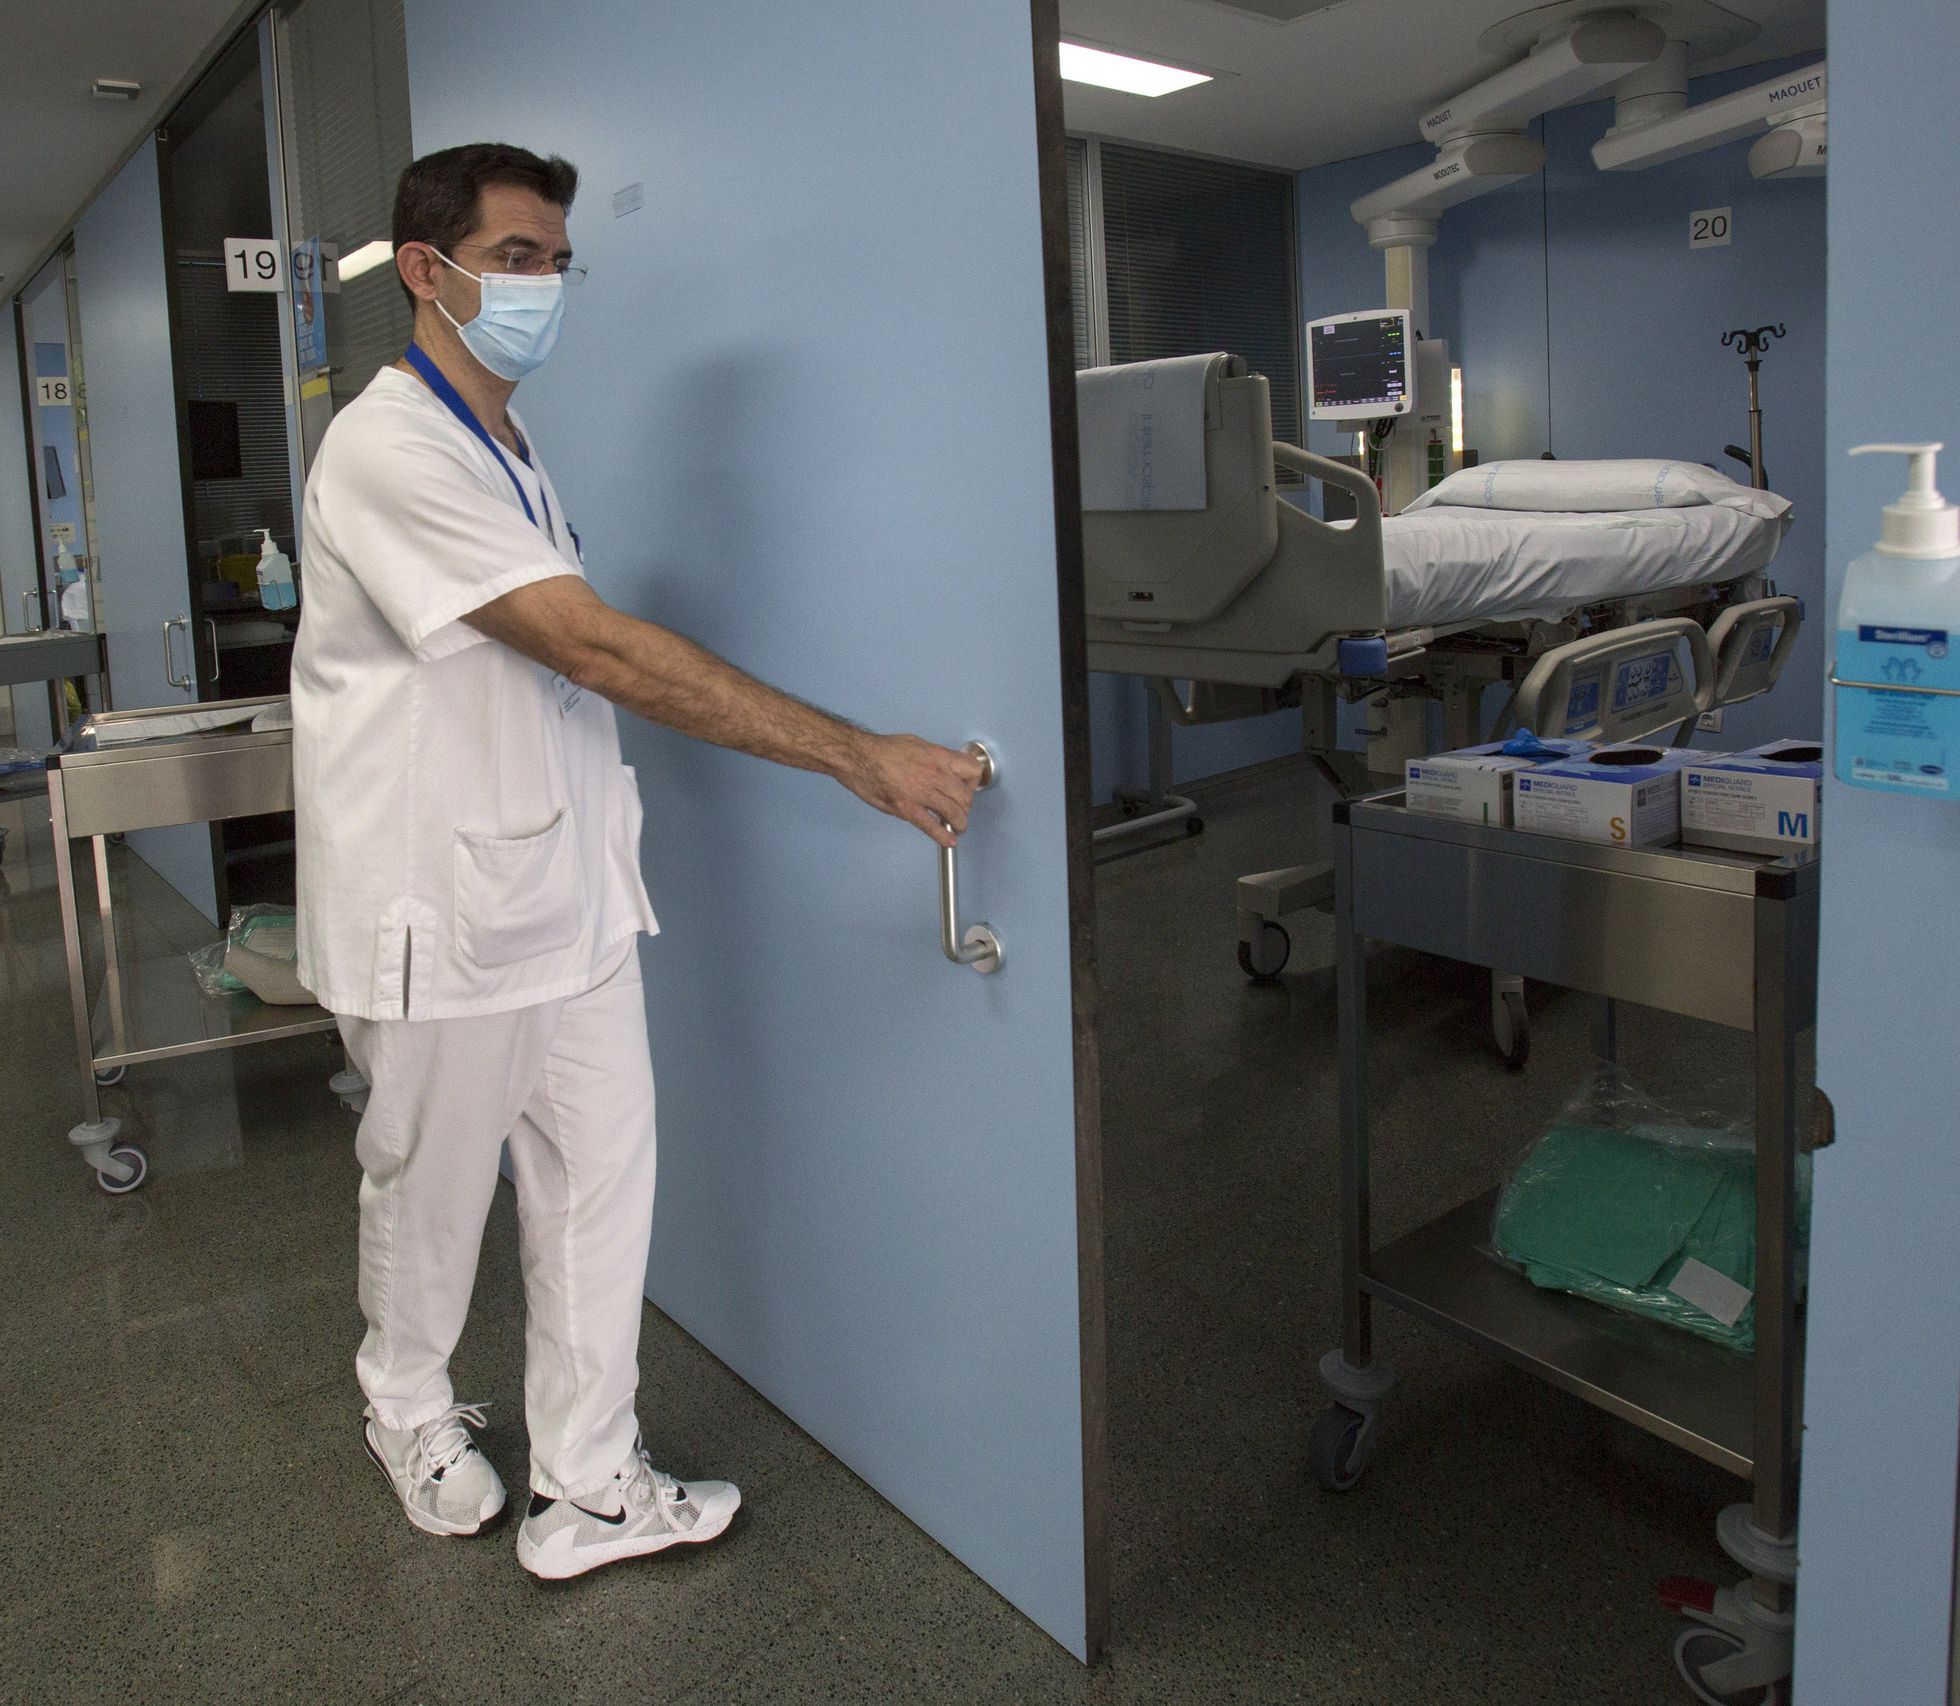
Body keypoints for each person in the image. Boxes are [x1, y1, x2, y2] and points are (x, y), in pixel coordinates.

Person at [290, 142, 983, 1582]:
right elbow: (592, 645)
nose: (546, 283)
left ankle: (591, 1481)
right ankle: (403, 1404)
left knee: (603, 1182)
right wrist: (860, 754)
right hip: (440, 912)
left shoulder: (511, 448)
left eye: (556, 258)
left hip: (566, 896)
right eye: (518, 257)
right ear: (429, 272)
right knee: (426, 1191)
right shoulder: (385, 447)